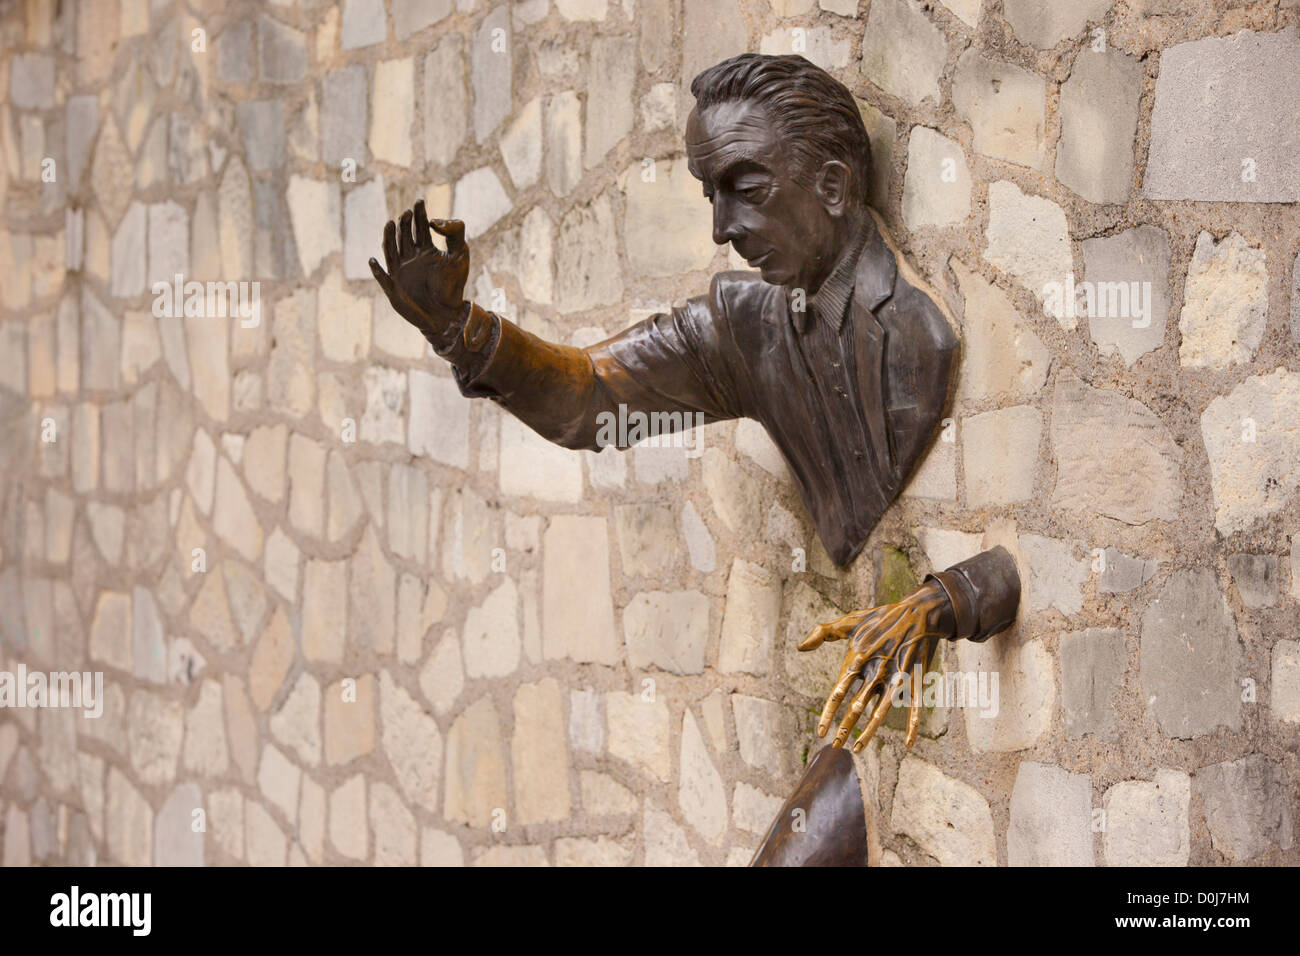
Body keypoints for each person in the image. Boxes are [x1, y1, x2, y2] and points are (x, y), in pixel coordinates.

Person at [370, 53, 1020, 865]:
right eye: (708, 194)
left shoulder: (920, 336)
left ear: (831, 184)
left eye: (743, 190)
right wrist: (458, 329)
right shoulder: (742, 328)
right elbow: (590, 399)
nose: (720, 229)